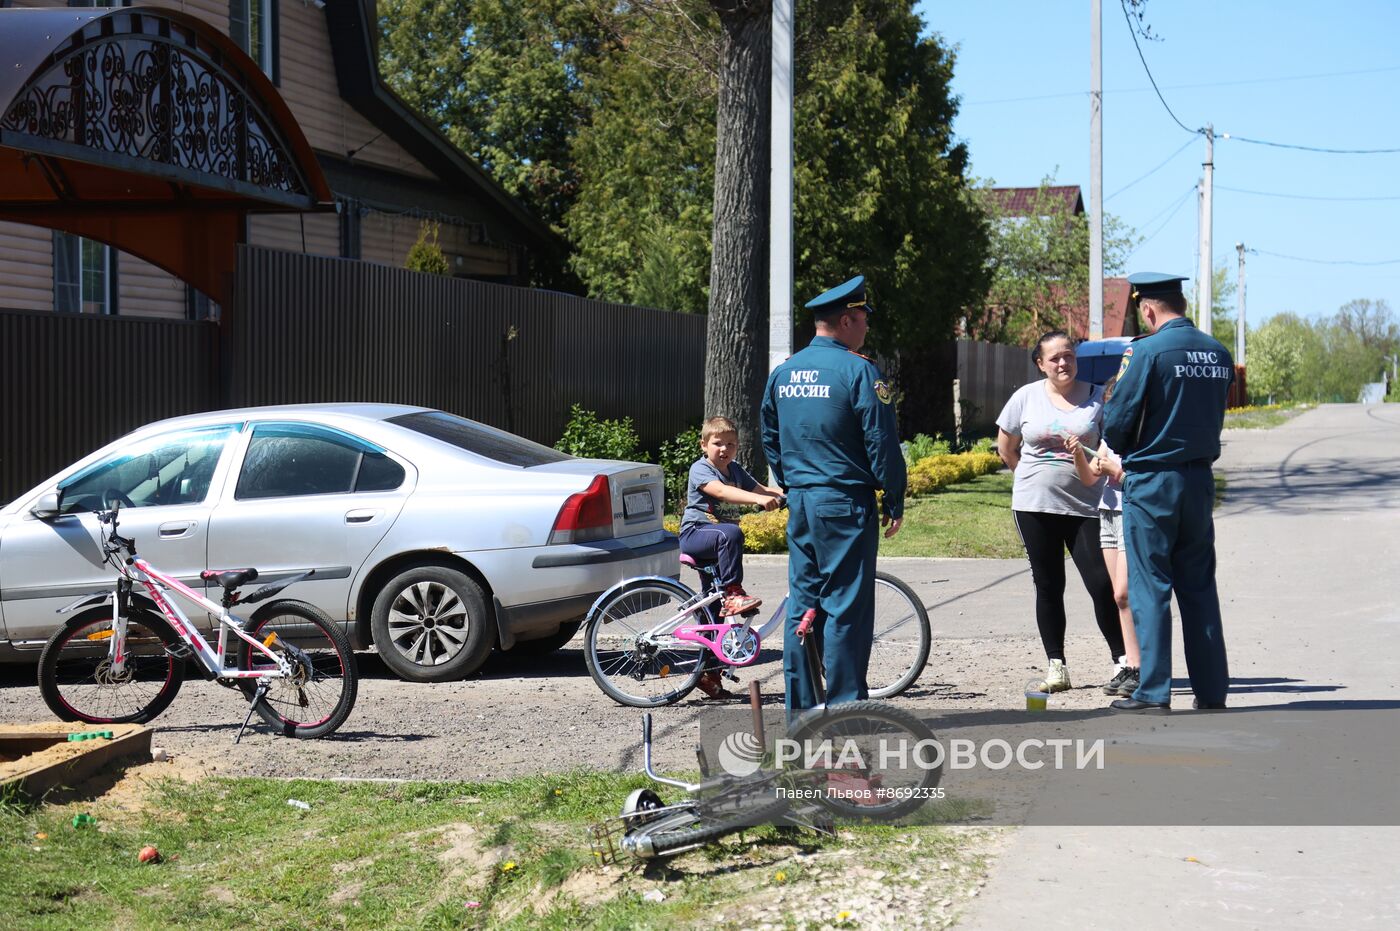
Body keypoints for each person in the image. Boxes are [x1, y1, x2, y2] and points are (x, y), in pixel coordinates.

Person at [760, 275, 906, 714]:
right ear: (846, 320)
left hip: (803, 502)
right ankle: (845, 711)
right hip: (844, 503)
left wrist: (792, 482)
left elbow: (770, 436)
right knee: (846, 608)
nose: (866, 329)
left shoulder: (783, 372)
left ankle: (802, 712)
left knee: (804, 603)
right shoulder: (859, 371)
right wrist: (894, 497)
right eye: (862, 320)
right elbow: (881, 441)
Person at [1102, 272, 1234, 713]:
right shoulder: (1218, 352)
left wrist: (1120, 447)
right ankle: (1212, 691)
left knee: (1150, 586)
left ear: (1148, 309)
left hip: (1154, 481)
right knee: (1198, 586)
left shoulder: (1145, 350)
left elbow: (1118, 420)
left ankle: (1154, 692)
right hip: (1199, 480)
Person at [996, 331, 1126, 694]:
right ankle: (1057, 666)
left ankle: (1122, 662)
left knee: (1102, 584)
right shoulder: (1025, 397)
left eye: (1068, 355)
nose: (1062, 363)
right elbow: (1007, 448)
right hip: (1035, 506)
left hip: (1087, 505)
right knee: (1049, 585)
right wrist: (1031, 479)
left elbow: (1110, 447)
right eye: (1053, 358)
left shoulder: (1097, 398)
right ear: (1040, 364)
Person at [1066, 395, 1141, 700]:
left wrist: (1116, 471)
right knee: (1118, 597)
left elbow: (1138, 480)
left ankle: (1140, 666)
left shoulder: (1141, 436)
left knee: (1125, 593)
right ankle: (1129, 664)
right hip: (1107, 515)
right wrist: (1078, 455)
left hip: (1129, 513)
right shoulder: (1109, 439)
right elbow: (1088, 478)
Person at [679, 415, 786, 618]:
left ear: (737, 447)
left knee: (713, 597)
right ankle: (733, 593)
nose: (724, 449)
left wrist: (793, 493)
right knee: (731, 534)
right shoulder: (700, 469)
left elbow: (761, 489)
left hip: (718, 543)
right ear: (704, 445)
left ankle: (709, 643)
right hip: (695, 533)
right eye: (717, 443)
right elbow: (720, 492)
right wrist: (757, 500)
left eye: (730, 445)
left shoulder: (735, 469)